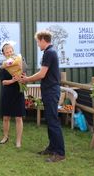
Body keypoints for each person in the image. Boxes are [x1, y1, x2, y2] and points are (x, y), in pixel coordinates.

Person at [18, 30, 65, 162]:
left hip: (51, 91)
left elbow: (42, 74)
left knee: (53, 122)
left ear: (43, 40)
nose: (38, 44)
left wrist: (26, 79)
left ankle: (60, 153)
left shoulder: (49, 53)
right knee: (50, 121)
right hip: (49, 91)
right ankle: (52, 148)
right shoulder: (50, 52)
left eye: (38, 42)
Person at [0, 43, 26, 148]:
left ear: (13, 51)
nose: (9, 53)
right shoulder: (2, 66)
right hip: (7, 93)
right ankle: (5, 137)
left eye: (10, 51)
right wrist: (12, 80)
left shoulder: (20, 61)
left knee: (18, 118)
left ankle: (18, 141)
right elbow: (3, 82)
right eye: (7, 52)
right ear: (4, 54)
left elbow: (25, 75)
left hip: (18, 92)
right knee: (6, 117)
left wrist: (22, 77)